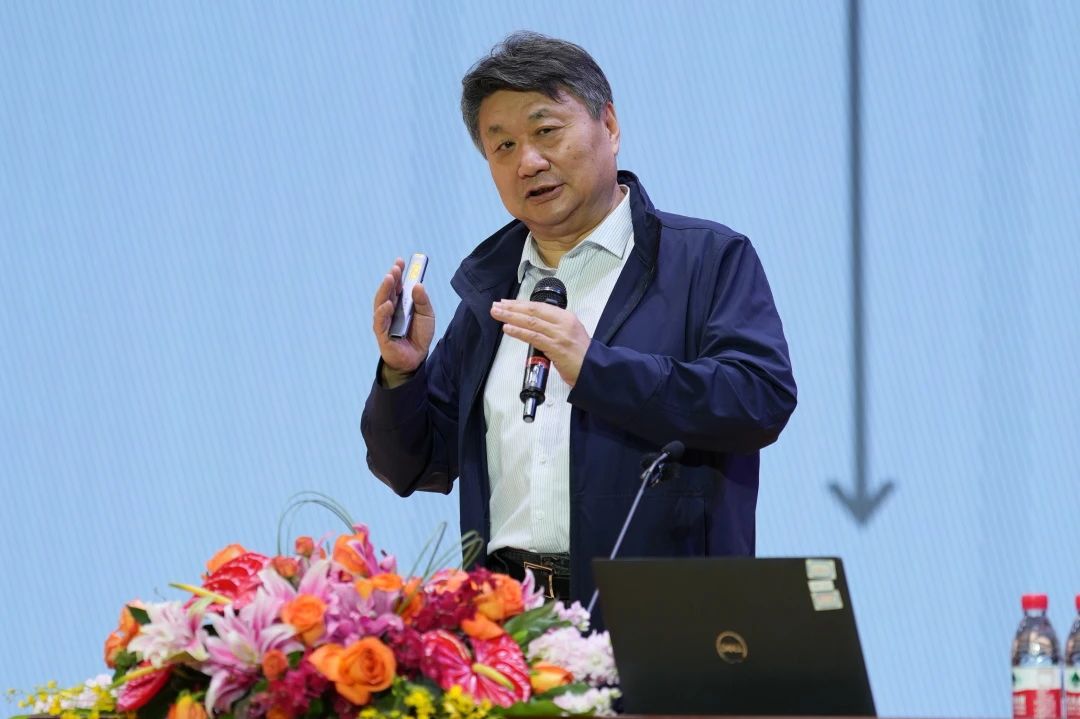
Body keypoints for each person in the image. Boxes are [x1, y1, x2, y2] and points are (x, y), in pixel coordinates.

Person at [362, 31, 796, 609]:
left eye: (546, 131)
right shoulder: (491, 291)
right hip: (508, 621)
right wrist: (402, 374)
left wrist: (597, 367)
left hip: (658, 620)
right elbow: (413, 466)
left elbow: (760, 399)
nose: (529, 162)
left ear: (609, 126)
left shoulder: (707, 259)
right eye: (503, 146)